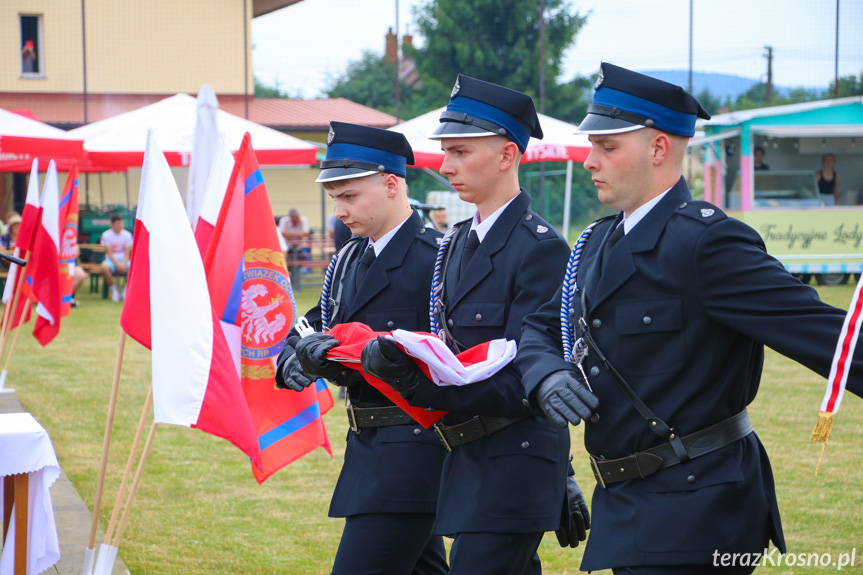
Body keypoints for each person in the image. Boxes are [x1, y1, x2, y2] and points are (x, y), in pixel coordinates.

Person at [516, 62, 863, 574]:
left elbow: (828, 339)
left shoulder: (707, 244)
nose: (590, 161)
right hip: (628, 503)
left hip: (699, 504)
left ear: (659, 149)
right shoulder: (596, 243)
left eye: (608, 147)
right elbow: (541, 327)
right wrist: (544, 372)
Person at [360, 75, 588, 575]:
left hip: (515, 462)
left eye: (461, 152)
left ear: (507, 156)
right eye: (446, 152)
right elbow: (450, 347)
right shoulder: (457, 242)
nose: (446, 166)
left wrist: (421, 385)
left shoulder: (540, 248)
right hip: (467, 457)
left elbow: (529, 377)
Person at [274, 122, 448, 575]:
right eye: (335, 198)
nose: (340, 210)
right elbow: (316, 319)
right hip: (372, 448)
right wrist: (294, 353)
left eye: (349, 196)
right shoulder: (351, 257)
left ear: (392, 184)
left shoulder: (438, 258)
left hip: (416, 450)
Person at [100, 214, 133, 302]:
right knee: (104, 268)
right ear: (112, 224)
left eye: (122, 224)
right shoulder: (106, 235)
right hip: (111, 261)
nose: (120, 226)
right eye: (118, 224)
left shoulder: (127, 235)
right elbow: (109, 253)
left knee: (133, 268)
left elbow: (127, 253)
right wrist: (117, 264)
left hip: (124, 261)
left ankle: (126, 290)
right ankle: (114, 290)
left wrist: (123, 263)